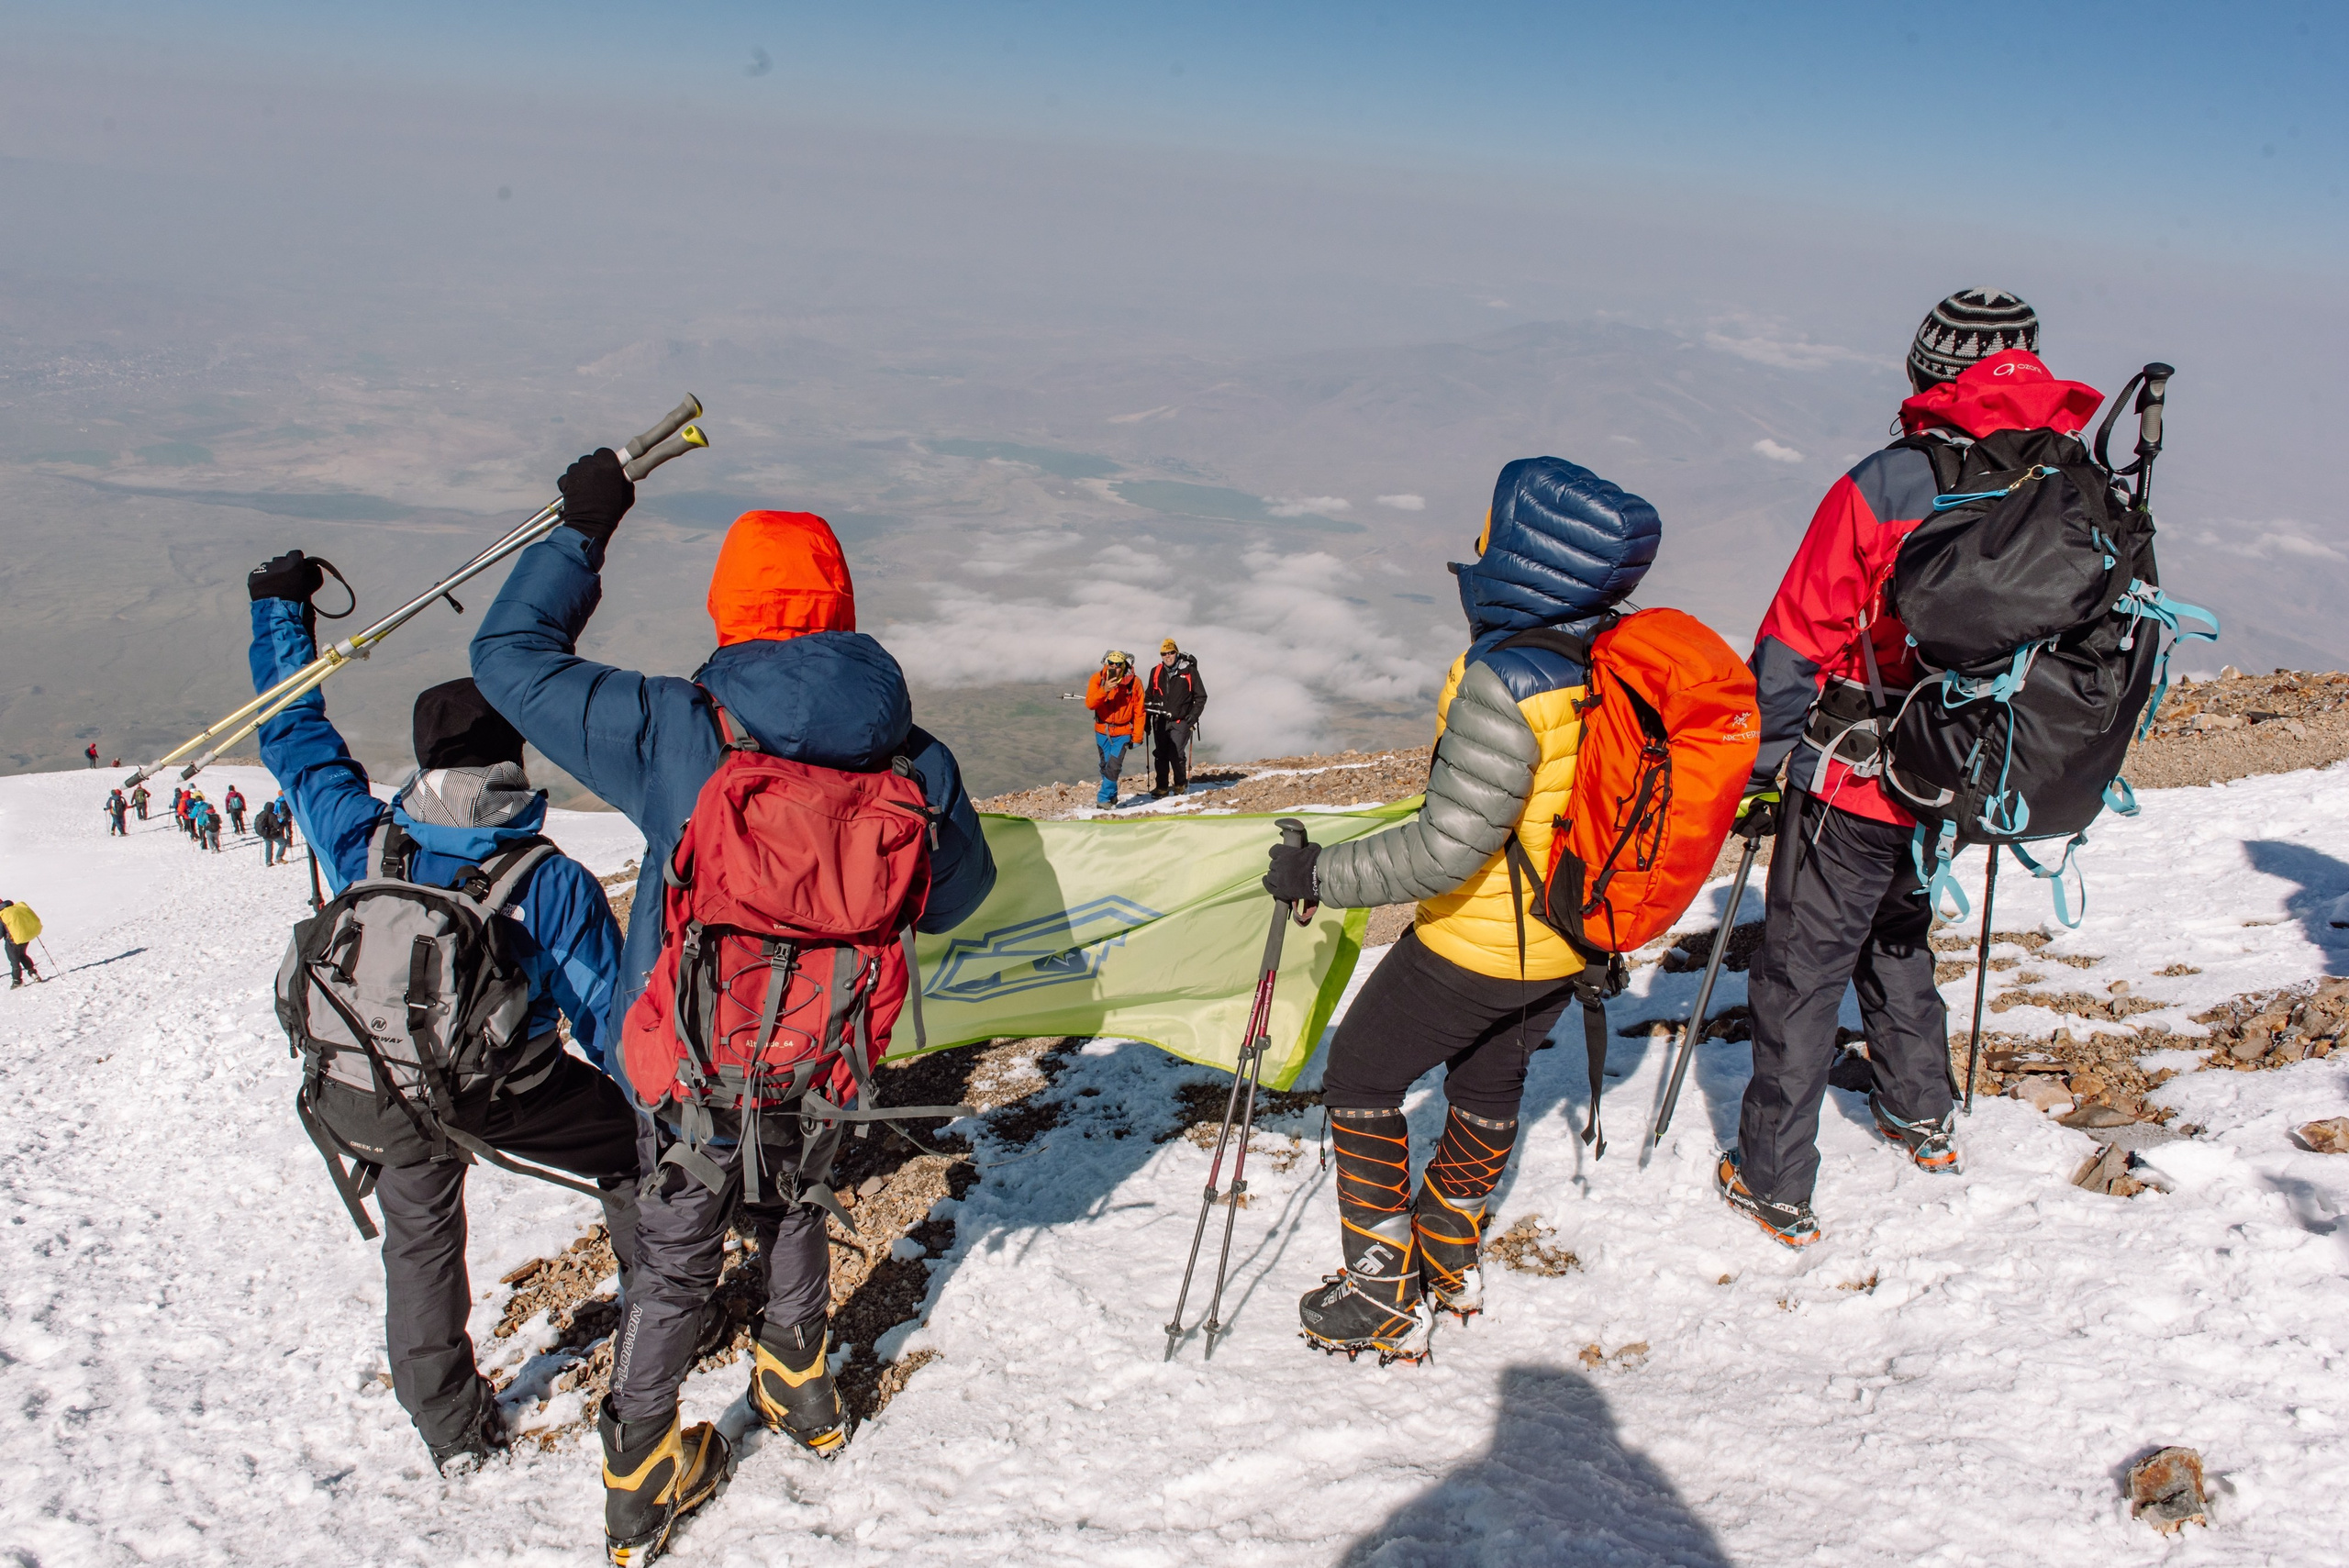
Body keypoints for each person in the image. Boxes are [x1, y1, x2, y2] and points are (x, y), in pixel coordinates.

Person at [471, 453, 997, 1563]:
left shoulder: (674, 726)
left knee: (673, 1252)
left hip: (687, 1055)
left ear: (728, 602)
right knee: (797, 1197)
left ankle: (641, 1467)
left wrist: (581, 533)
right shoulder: (911, 754)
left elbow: (508, 657)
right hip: (828, 1052)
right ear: (840, 606)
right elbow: (961, 896)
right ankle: (800, 1378)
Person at [246, 548, 646, 1477]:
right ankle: (668, 1309)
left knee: (420, 1246)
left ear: (425, 760)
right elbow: (608, 1022)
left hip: (376, 1085)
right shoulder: (543, 877)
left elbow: (290, 733)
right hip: (502, 1092)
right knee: (632, 1146)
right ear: (513, 753)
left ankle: (454, 1432)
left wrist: (278, 610)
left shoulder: (367, 837)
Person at [1720, 289, 2104, 1249]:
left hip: (1856, 769)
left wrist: (1764, 765)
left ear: (1925, 374)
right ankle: (1922, 1113)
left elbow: (1798, 633)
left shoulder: (1892, 477)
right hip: (1971, 766)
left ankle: (1772, 1178)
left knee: (1803, 969)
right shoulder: (2069, 471)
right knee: (1898, 930)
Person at [1261, 456, 1659, 1364]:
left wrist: (1316, 872)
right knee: (1488, 1080)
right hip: (1572, 936)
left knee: (1362, 1071)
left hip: (1480, 940)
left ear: (1524, 560)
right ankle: (1446, 1245)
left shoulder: (1509, 681)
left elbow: (1447, 844)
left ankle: (1381, 1285)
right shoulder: (1621, 655)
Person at [1145, 639, 1208, 799]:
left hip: (1181, 720)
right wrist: (1146, 720)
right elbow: (1149, 697)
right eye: (1164, 653)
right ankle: (1162, 787)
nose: (1168, 656)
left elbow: (1201, 696)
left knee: (1176, 753)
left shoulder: (1189, 671)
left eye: (1171, 652)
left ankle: (1180, 784)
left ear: (1177, 653)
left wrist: (1192, 717)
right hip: (1160, 720)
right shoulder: (1156, 672)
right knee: (1160, 754)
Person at [1084, 650, 1145, 808]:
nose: (1114, 667)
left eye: (1118, 664)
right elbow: (1090, 704)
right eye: (1111, 663)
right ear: (1106, 664)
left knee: (1114, 766)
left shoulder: (1134, 682)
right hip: (1102, 730)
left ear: (1124, 665)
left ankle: (1103, 799)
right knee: (1105, 765)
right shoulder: (1098, 679)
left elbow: (1140, 711)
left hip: (1123, 731)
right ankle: (1112, 795)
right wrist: (1104, 690)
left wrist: (1137, 737)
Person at [1, 899, 42, 987]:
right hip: (24, 938)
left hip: (13, 941)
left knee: (14, 961)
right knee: (22, 955)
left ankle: (17, 981)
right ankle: (33, 973)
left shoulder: (2, 915)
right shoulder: (15, 908)